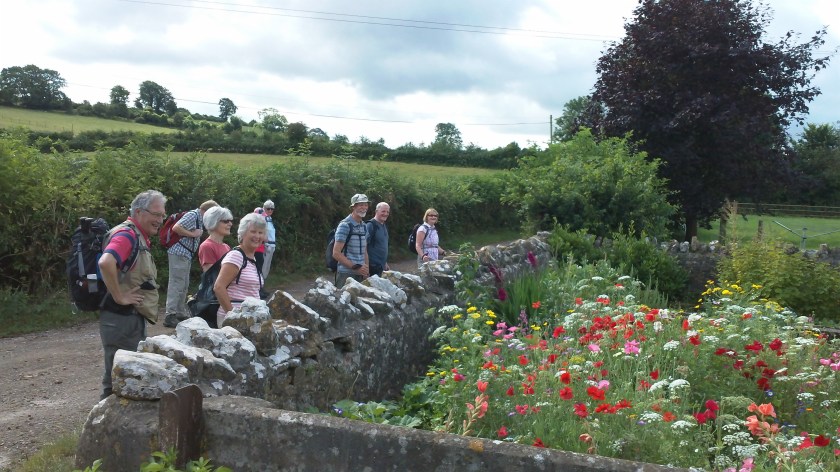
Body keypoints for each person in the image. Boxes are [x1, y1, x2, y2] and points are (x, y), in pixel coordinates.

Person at [97, 190, 166, 399]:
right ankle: (103, 428)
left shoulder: (137, 235)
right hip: (120, 318)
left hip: (127, 318)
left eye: (162, 215)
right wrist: (120, 296)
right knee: (119, 379)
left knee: (122, 376)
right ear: (138, 212)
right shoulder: (127, 235)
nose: (160, 220)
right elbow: (105, 262)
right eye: (156, 214)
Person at [163, 200, 218, 328]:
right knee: (177, 283)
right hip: (178, 252)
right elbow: (176, 227)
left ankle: (180, 312)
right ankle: (170, 315)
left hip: (185, 253)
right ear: (207, 211)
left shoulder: (198, 217)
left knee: (184, 283)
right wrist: (193, 234)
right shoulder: (193, 215)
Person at [213, 212, 266, 327]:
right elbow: (219, 287)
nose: (257, 236)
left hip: (249, 320)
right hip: (233, 321)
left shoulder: (252, 259)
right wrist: (233, 317)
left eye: (260, 232)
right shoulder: (236, 256)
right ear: (242, 233)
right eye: (253, 231)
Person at [333, 193, 370, 283]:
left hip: (360, 274)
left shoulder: (364, 226)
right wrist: (356, 267)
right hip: (345, 275)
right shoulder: (345, 225)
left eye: (366, 205)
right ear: (353, 207)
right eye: (361, 205)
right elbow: (336, 253)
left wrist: (366, 271)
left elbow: (364, 251)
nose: (364, 207)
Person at [198, 206, 234, 272]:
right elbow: (211, 276)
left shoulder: (226, 247)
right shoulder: (207, 246)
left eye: (230, 221)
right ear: (213, 222)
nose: (230, 224)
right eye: (226, 221)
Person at [365, 202, 390, 277]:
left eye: (387, 212)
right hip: (372, 267)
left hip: (381, 267)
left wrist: (385, 263)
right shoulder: (370, 225)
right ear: (376, 211)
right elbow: (364, 246)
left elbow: (382, 245)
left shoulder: (383, 225)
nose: (386, 214)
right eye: (383, 211)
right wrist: (366, 267)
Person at [261, 199, 276, 278]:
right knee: (263, 266)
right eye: (268, 208)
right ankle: (260, 285)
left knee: (267, 266)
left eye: (272, 209)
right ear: (264, 208)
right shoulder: (263, 218)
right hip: (266, 245)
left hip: (272, 245)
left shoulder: (270, 219)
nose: (270, 210)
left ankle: (263, 283)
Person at [252, 206, 266, 271]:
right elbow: (266, 238)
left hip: (260, 250)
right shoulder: (253, 225)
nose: (263, 218)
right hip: (256, 251)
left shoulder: (261, 226)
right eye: (262, 216)